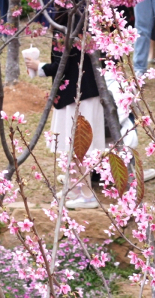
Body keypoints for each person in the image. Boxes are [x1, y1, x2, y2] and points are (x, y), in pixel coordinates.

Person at [40, 27, 105, 210]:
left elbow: (60, 65)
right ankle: (75, 187)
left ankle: (86, 194)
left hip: (76, 94)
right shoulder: (89, 23)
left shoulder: (66, 26)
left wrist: (39, 68)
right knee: (74, 143)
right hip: (84, 91)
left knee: (78, 144)